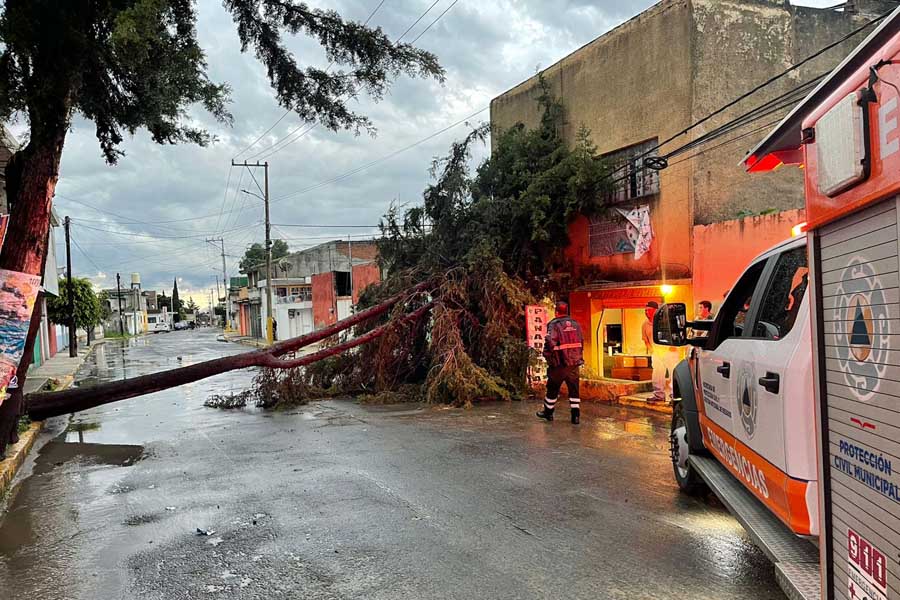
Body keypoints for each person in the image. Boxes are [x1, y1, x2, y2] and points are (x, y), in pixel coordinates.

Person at [536, 301, 585, 425]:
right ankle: (575, 416)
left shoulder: (554, 324)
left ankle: (548, 413)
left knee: (552, 388)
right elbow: (581, 342)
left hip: (559, 363)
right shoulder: (576, 324)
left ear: (556, 311)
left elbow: (550, 342)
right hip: (574, 363)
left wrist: (547, 357)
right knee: (574, 389)